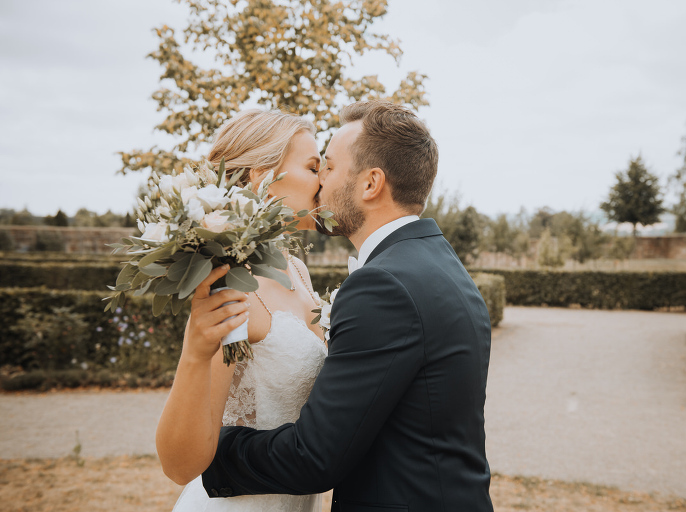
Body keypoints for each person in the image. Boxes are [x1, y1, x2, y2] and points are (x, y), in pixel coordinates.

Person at [198, 100, 495, 511]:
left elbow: (316, 456)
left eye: (330, 167)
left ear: (371, 184)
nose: (321, 182)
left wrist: (212, 455)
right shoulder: (444, 268)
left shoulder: (384, 284)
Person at [156, 109, 328, 512]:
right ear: (260, 176)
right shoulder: (229, 283)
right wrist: (195, 352)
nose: (324, 180)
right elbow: (180, 464)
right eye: (312, 166)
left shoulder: (297, 269)